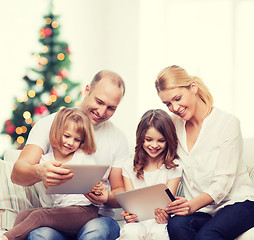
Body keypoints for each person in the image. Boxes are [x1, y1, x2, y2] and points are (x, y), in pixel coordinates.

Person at [11, 70, 129, 240]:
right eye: (99, 101)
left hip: (97, 218)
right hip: (55, 218)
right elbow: (17, 174)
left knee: (96, 232)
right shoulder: (50, 124)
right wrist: (39, 172)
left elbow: (120, 192)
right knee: (39, 235)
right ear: (87, 90)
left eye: (111, 108)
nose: (102, 112)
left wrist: (105, 197)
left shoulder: (117, 138)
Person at [154, 65, 254, 240]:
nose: (175, 107)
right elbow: (160, 164)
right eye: (168, 103)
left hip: (238, 202)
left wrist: (191, 206)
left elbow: (222, 183)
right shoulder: (174, 125)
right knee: (176, 225)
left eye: (178, 98)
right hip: (203, 209)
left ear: (193, 87)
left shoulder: (227, 123)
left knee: (207, 236)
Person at [1, 107, 107, 240]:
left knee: (39, 216)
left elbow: (94, 185)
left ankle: (6, 238)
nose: (70, 143)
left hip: (84, 211)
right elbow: (49, 198)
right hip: (60, 212)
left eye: (77, 140)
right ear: (57, 132)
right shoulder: (45, 160)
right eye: (67, 136)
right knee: (23, 214)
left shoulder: (84, 157)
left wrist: (97, 190)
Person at [119, 109, 182, 240]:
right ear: (141, 138)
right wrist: (129, 215)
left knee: (159, 233)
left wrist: (165, 215)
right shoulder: (128, 165)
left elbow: (167, 205)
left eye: (161, 140)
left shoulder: (174, 166)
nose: (154, 145)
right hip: (136, 222)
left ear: (168, 140)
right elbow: (130, 204)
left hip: (160, 222)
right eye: (148, 139)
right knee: (131, 232)